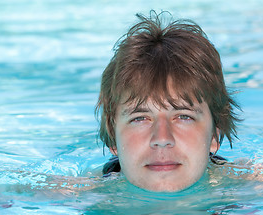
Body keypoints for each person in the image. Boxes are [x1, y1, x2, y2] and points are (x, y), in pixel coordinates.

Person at [95, 11, 241, 192]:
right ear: (113, 138)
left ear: (214, 134)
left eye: (183, 116)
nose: (162, 139)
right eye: (140, 118)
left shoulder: (258, 188)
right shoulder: (76, 198)